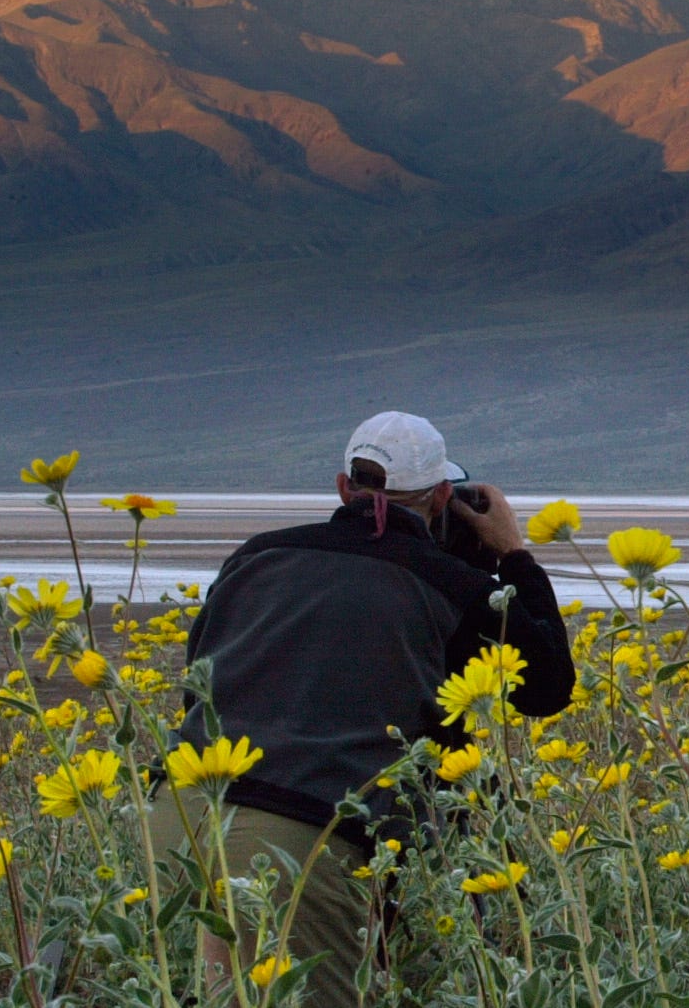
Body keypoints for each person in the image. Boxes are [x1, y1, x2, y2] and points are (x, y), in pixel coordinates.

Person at [148, 411, 576, 1007]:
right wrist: (513, 554)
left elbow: (201, 682)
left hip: (179, 815)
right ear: (444, 497)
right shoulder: (447, 582)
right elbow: (548, 685)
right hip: (303, 830)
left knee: (222, 996)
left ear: (345, 487)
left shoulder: (258, 555)